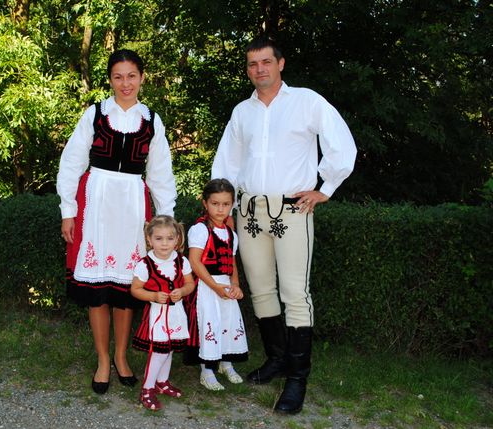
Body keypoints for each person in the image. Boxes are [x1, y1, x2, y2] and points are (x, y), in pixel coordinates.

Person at [212, 35, 357, 414]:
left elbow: (342, 144)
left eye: (265, 62)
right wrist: (222, 208)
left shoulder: (307, 102)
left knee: (295, 293)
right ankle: (277, 359)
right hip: (248, 212)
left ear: (280, 64)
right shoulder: (242, 112)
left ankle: (297, 376)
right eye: (252, 64)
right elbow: (227, 161)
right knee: (261, 289)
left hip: (292, 210)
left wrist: (325, 188)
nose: (258, 69)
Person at [57, 49, 176, 395]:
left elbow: (161, 174)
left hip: (132, 207)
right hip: (96, 204)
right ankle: (103, 360)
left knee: (126, 288)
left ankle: (122, 357)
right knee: (98, 291)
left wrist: (165, 221)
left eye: (131, 76)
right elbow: (71, 162)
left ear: (142, 78)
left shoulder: (152, 121)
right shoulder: (95, 114)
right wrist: (68, 211)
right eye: (118, 76)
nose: (125, 83)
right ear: (110, 79)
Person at [185, 178, 248, 391]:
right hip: (207, 286)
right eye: (215, 203)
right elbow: (195, 261)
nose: (220, 209)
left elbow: (232, 262)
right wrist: (214, 286)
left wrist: (235, 285)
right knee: (209, 324)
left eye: (225, 204)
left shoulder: (231, 234)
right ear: (205, 203)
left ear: (232, 205)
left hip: (225, 285)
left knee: (228, 323)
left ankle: (226, 364)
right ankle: (207, 370)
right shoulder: (200, 229)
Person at [131, 215, 195, 411]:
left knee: (170, 349)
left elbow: (190, 284)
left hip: (176, 314)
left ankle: (162, 382)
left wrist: (182, 291)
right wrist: (152, 295)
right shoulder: (145, 264)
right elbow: (135, 289)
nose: (164, 243)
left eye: (169, 238)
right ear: (149, 240)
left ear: (177, 240)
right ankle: (147, 388)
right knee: (159, 352)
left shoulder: (182, 261)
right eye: (159, 238)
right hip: (157, 315)